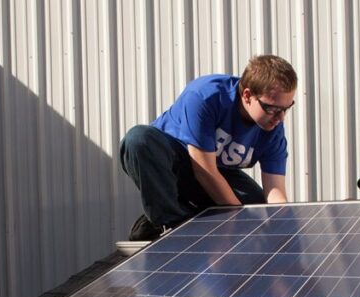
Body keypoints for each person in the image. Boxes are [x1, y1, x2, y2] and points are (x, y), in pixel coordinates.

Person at [120, 55, 297, 241]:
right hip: (174, 165)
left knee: (257, 210)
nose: (281, 117)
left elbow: (275, 191)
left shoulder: (273, 128)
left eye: (287, 108)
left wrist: (284, 227)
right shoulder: (205, 96)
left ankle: (188, 215)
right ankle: (168, 222)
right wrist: (239, 220)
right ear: (247, 95)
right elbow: (204, 170)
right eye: (272, 108)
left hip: (217, 171)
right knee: (138, 139)